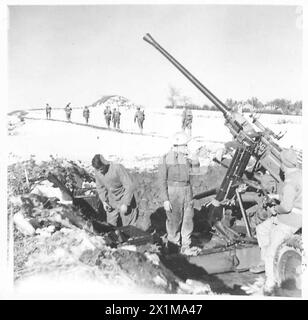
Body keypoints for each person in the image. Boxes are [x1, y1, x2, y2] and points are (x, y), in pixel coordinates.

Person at [250, 148, 302, 294]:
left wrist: (274, 210)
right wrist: (276, 196)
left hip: (290, 220)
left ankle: (270, 284)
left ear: (283, 164)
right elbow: (292, 196)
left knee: (271, 251)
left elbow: (286, 207)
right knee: (262, 229)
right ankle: (264, 260)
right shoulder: (300, 174)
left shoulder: (290, 181)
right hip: (297, 214)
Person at [158, 131, 201, 256]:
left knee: (188, 218)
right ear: (176, 146)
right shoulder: (165, 158)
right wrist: (165, 199)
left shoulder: (187, 158)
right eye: (184, 146)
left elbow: (196, 171)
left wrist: (195, 159)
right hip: (173, 191)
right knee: (174, 220)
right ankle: (173, 247)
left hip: (187, 190)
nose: (186, 148)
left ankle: (186, 245)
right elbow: (161, 180)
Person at [92, 154, 139, 227]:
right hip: (112, 200)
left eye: (101, 169)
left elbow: (129, 185)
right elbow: (100, 187)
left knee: (129, 226)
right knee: (110, 226)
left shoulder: (117, 168)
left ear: (105, 164)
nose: (100, 172)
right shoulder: (97, 171)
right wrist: (104, 201)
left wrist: (126, 203)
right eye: (97, 170)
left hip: (124, 197)